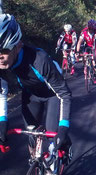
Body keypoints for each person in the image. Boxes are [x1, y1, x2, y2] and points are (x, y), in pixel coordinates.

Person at [0, 14, 72, 164]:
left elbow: (64, 94)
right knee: (32, 134)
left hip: (53, 95)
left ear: (18, 45)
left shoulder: (40, 60)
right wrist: (2, 122)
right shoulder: (5, 60)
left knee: (55, 132)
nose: (0, 56)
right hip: (31, 94)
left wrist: (63, 127)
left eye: (4, 50)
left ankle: (65, 148)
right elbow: (2, 90)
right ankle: (36, 166)